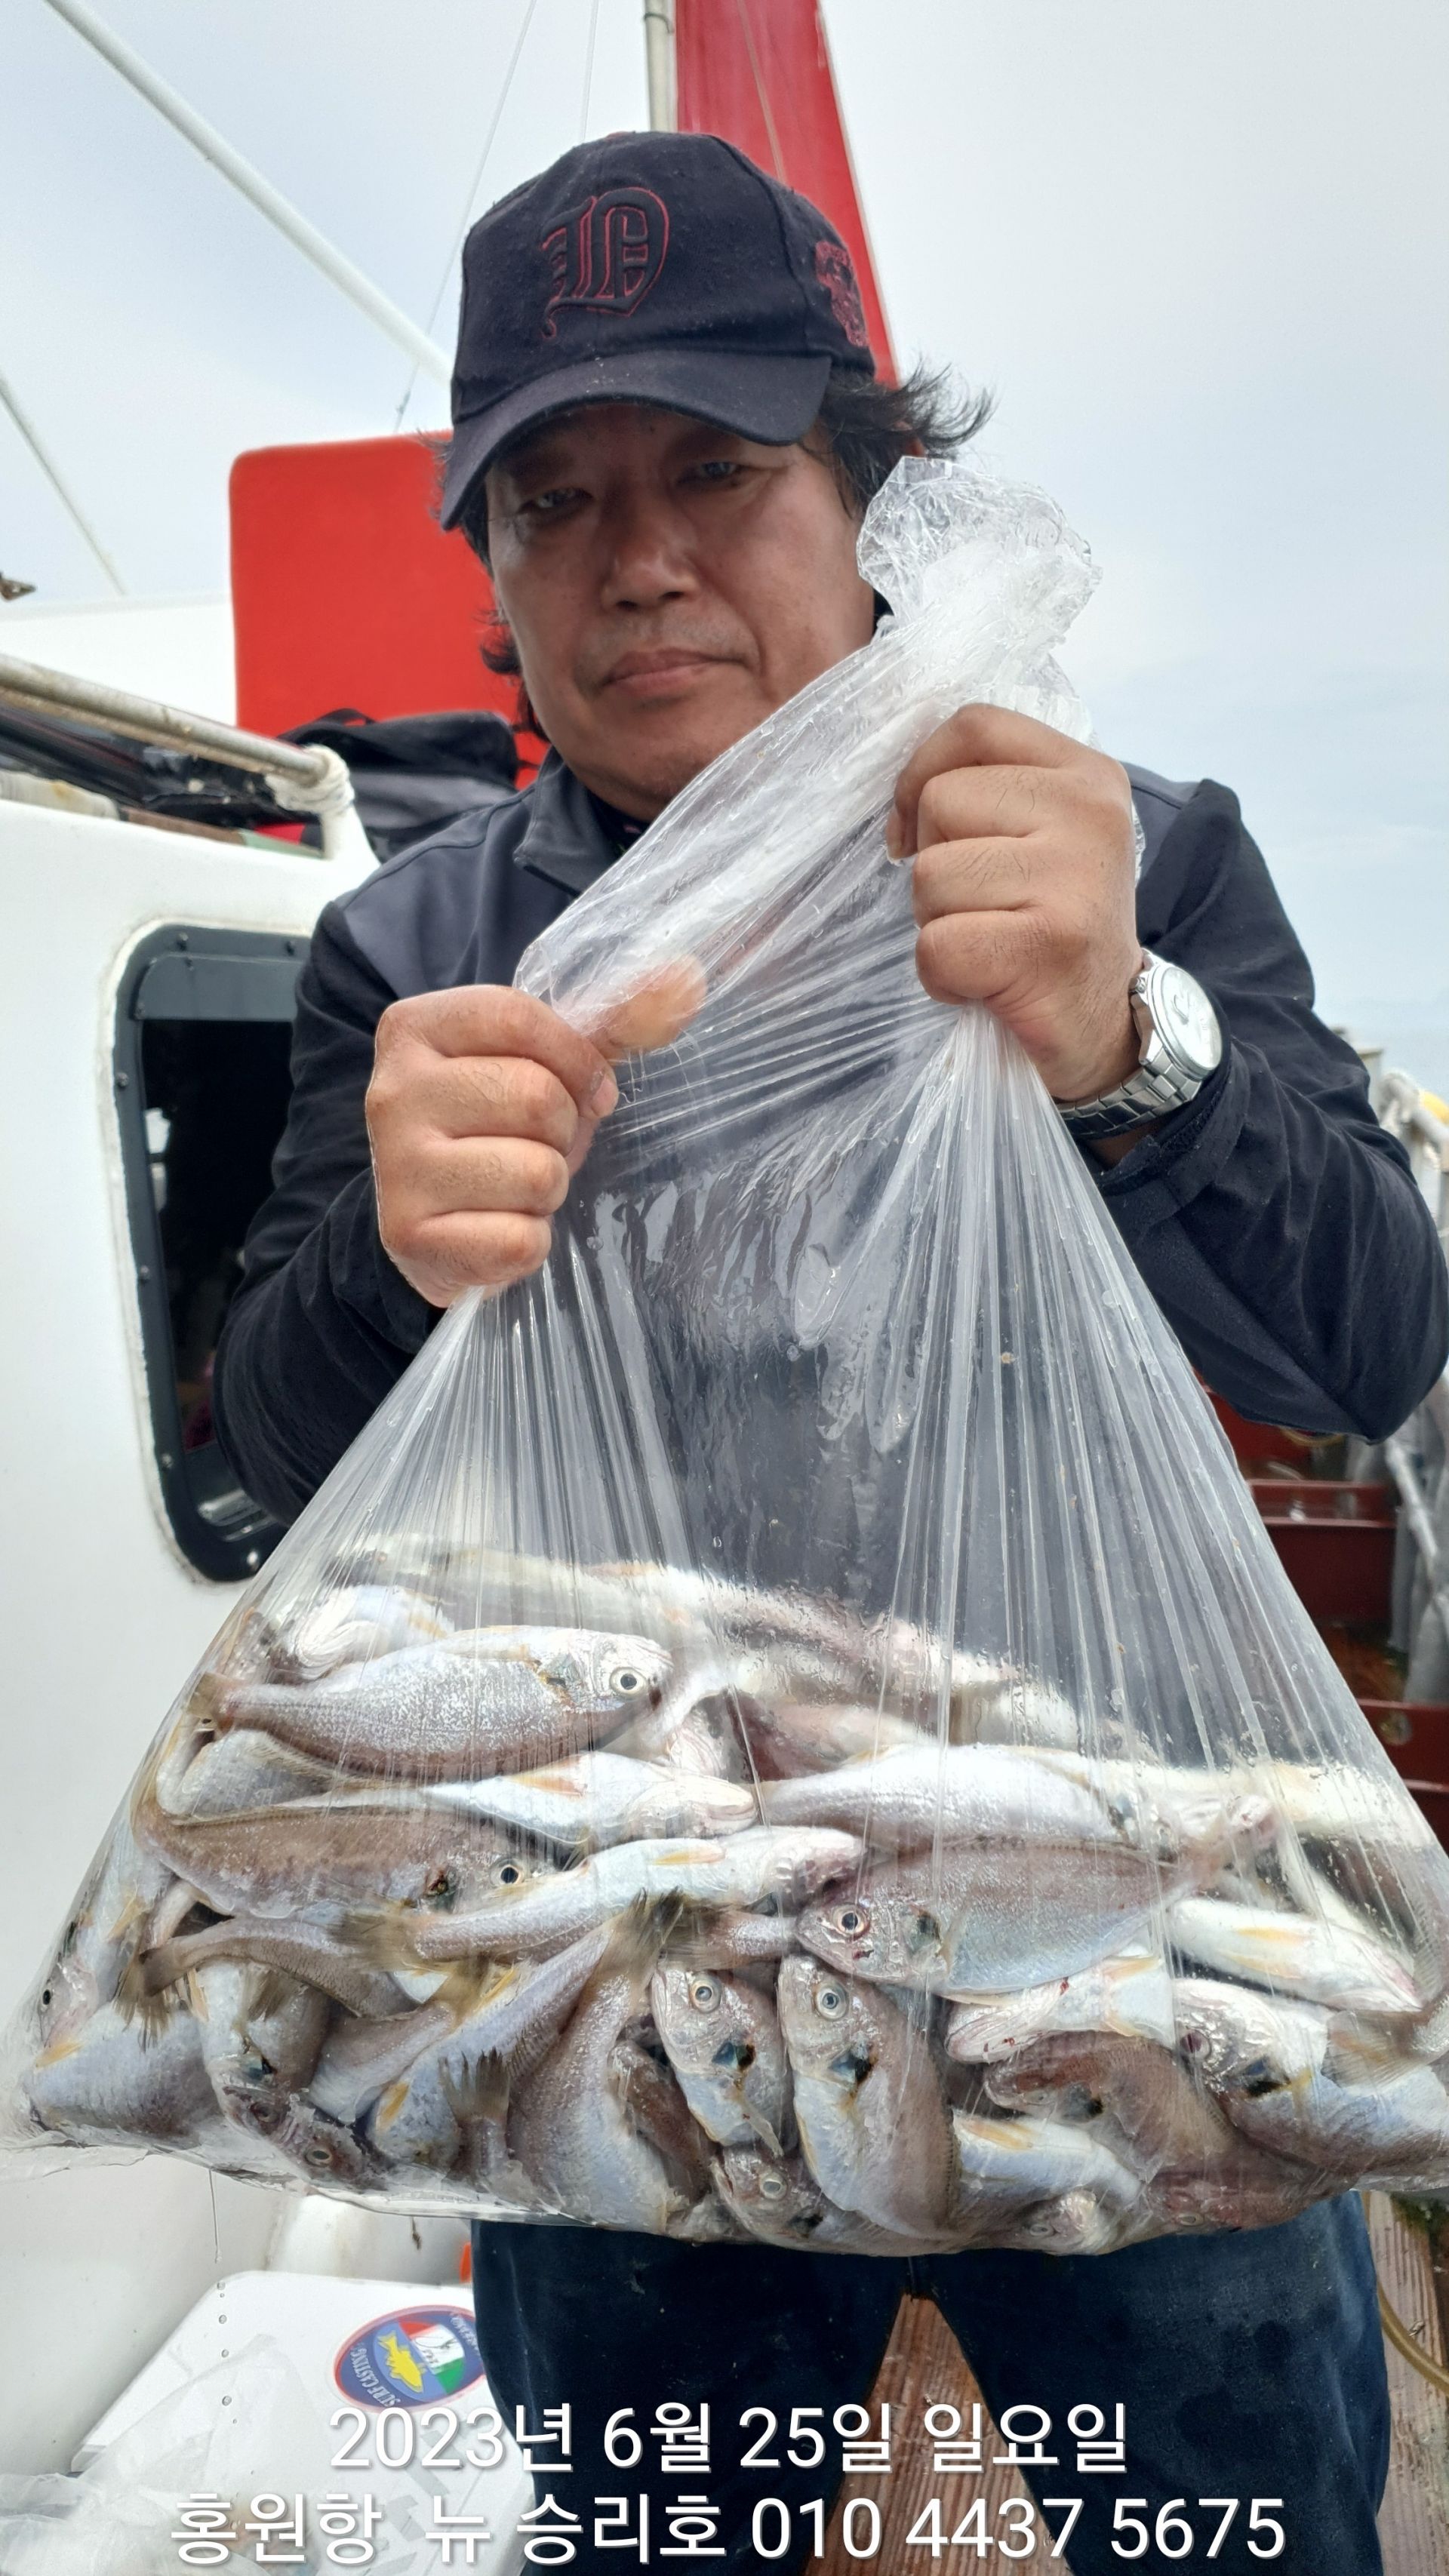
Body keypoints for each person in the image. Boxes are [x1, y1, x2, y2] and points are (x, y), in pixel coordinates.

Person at [214, 133, 1445, 2575]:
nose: (638, 556)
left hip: (1111, 1915)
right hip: (623, 1956)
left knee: (1230, 2517)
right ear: (492, 572)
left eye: (716, 468)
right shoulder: (419, 952)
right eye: (552, 499)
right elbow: (269, 1441)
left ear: (870, 498)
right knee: (669, 2527)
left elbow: (1367, 1334)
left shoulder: (1120, 849)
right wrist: (390, 1254)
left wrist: (1137, 1049)